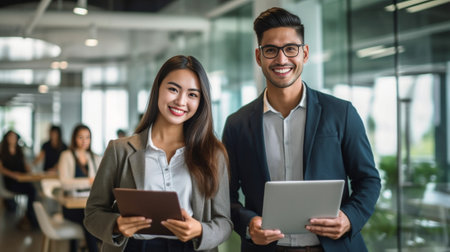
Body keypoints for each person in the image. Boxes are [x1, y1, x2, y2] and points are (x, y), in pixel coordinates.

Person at [222, 7, 381, 252]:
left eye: (290, 49)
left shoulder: (341, 113)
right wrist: (248, 223)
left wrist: (349, 218)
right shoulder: (237, 124)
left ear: (304, 53)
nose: (282, 59)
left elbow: (368, 180)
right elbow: (226, 196)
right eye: (271, 50)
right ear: (258, 56)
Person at [84, 55, 232, 252]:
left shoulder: (212, 154)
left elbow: (224, 222)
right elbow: (93, 213)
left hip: (190, 247)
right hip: (134, 247)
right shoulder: (119, 150)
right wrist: (117, 224)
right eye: (173, 89)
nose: (181, 101)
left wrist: (200, 230)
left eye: (192, 95)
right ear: (158, 90)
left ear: (201, 101)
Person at [58, 124, 101, 252]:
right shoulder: (66, 156)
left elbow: (99, 182)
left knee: (96, 217)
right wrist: (88, 181)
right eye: (80, 137)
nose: (84, 141)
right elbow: (64, 183)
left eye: (87, 137)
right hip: (71, 208)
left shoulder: (94, 157)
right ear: (74, 138)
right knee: (89, 219)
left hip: (89, 204)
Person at [0, 130, 38, 230]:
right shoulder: (2, 151)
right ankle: (31, 218)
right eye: (10, 137)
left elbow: (25, 165)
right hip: (11, 182)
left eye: (14, 137)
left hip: (22, 179)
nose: (13, 139)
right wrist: (13, 175)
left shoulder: (19, 150)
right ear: (7, 138)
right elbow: (1, 169)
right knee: (32, 191)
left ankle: (30, 217)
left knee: (33, 190)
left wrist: (29, 168)